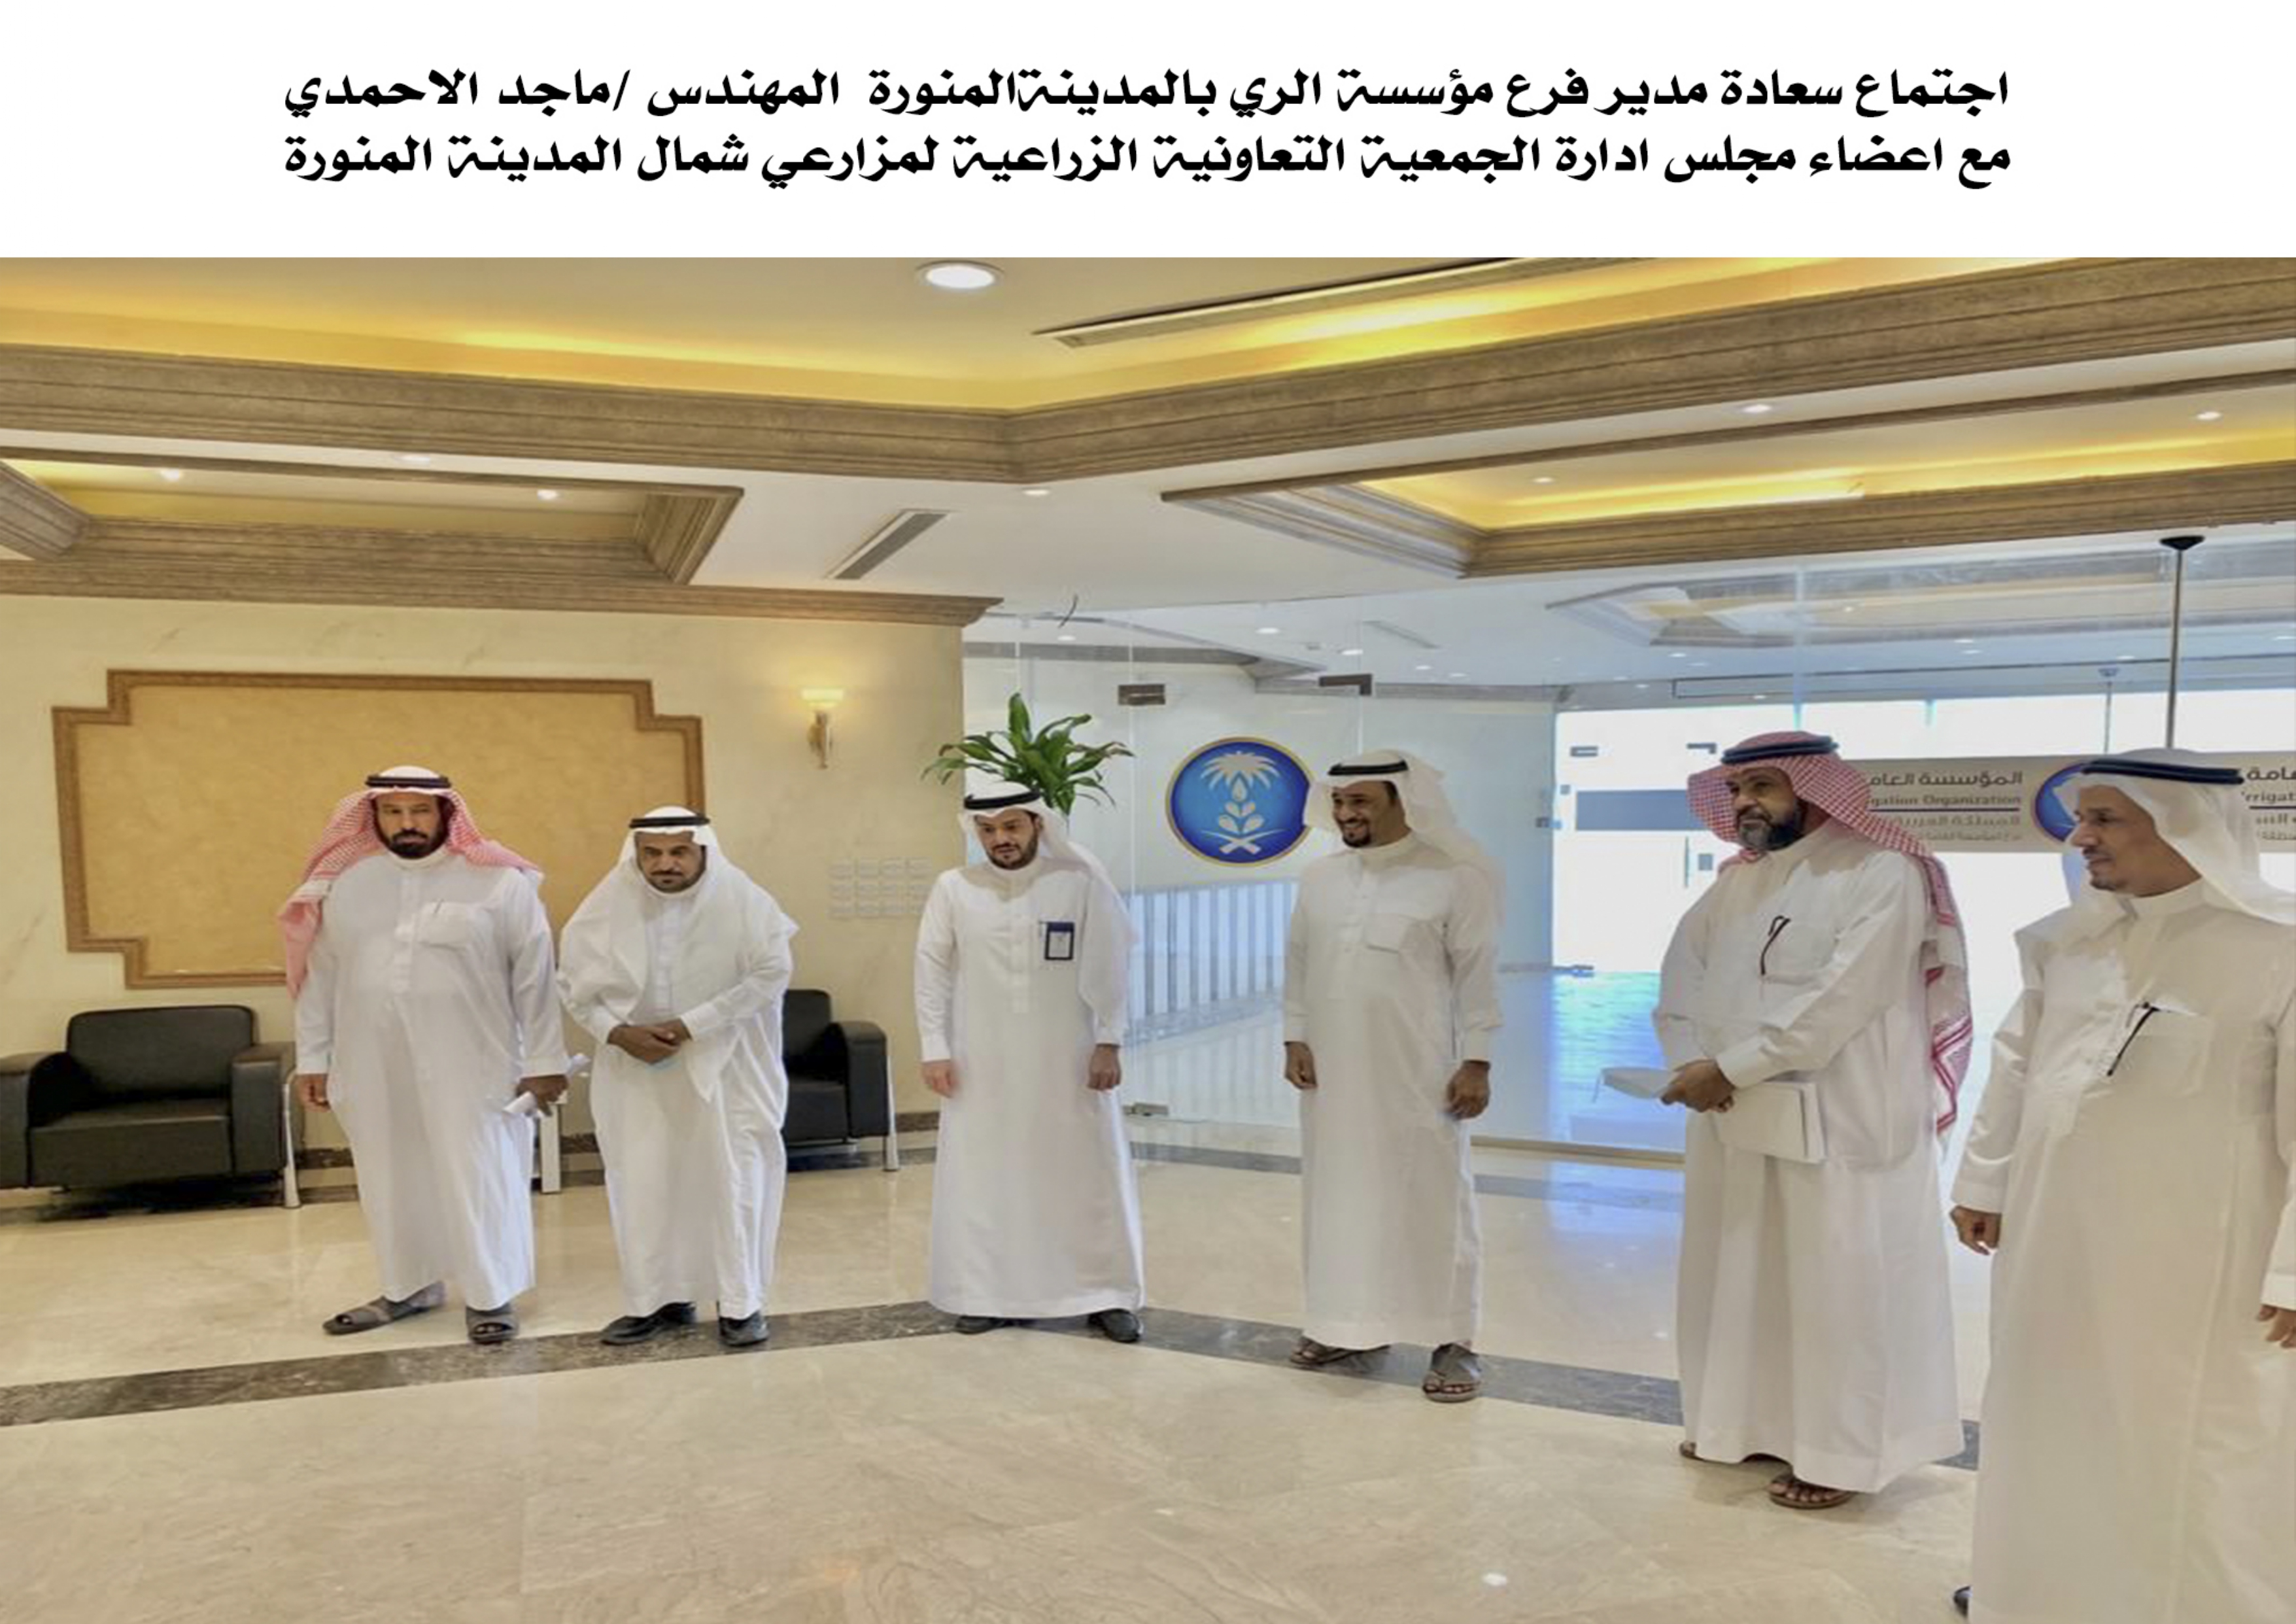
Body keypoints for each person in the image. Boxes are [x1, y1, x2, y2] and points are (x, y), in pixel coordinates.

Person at [1947, 750, 2294, 1623]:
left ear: (2183, 826)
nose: (2081, 836)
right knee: (2047, 1411)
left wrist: (2293, 1271)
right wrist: (1984, 1178)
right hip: (2053, 1237)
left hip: (2201, 1255)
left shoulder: (2276, 947)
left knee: (2189, 1436)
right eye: (2081, 817)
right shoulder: (2066, 940)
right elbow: (2016, 1063)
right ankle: (2037, 1588)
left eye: (2105, 818)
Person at [1653, 731, 1969, 1508]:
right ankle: (1739, 1422)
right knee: (1737, 1268)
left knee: (1835, 1284)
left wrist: (1729, 1067)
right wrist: (1693, 1061)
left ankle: (1840, 1453)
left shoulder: (1880, 871)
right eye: (1736, 789)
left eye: (1762, 786)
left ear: (1815, 787)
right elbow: (1679, 978)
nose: (1745, 803)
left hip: (1843, 1121)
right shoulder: (1736, 883)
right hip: (1733, 1110)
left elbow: (1844, 996)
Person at [283, 766, 567, 1345]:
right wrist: (314, 1056)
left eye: (420, 811)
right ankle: (407, 1287)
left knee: (478, 1169)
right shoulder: (347, 883)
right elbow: (321, 976)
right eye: (393, 812)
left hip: (475, 1058)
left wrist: (545, 1060)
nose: (406, 823)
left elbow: (534, 976)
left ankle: (491, 1294)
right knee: (389, 1171)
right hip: (371, 1059)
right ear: (373, 816)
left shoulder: (498, 881)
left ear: (446, 814)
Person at [1282, 751, 1502, 1402]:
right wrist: (1294, 1034)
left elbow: (1478, 975)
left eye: (1361, 801)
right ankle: (1346, 1324)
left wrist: (1477, 1059)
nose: (1345, 813)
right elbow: (1297, 960)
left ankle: (1453, 1339)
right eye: (1339, 800)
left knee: (1433, 1198)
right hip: (1332, 1073)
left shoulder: (1452, 876)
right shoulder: (1319, 877)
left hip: (1418, 1070)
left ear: (1404, 802)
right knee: (1339, 1196)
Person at [913, 774, 1144, 1341]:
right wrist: (935, 1048)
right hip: (981, 1060)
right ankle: (985, 1292)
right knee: (986, 1176)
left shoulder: (1079, 880)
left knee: (1084, 1173)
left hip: (1068, 1058)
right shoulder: (954, 887)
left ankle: (1105, 1292)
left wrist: (1109, 1039)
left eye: (1011, 826)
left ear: (1037, 822)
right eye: (987, 830)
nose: (1001, 839)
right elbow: (931, 968)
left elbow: (1110, 963)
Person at [558, 808, 798, 1350]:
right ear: (636, 854)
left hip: (727, 1069)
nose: (665, 863)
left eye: (678, 851)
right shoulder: (605, 906)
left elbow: (771, 973)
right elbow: (572, 983)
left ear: (703, 851)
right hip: (635, 1071)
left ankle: (741, 1303)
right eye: (652, 853)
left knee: (732, 1180)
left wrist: (691, 1025)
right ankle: (656, 1300)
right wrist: (617, 1032)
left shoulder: (745, 902)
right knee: (644, 1183)